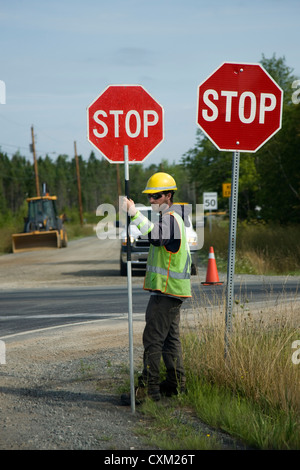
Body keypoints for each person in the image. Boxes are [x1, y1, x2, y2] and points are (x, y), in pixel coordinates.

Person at [121, 172, 192, 405]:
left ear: (168, 196)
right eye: (149, 197)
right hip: (172, 291)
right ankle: (175, 386)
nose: (152, 200)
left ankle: (148, 392)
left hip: (167, 291)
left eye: (156, 196)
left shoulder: (171, 219)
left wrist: (134, 214)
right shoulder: (172, 217)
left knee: (152, 339)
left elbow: (155, 237)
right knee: (171, 340)